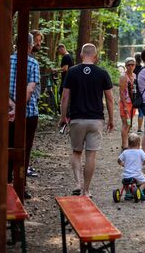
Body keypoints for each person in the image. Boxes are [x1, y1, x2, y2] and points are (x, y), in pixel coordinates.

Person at [59, 43, 114, 196]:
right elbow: (110, 98)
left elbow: (65, 97)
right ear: (95, 56)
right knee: (91, 155)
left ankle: (77, 183)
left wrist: (63, 117)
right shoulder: (102, 73)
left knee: (76, 152)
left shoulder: (72, 71)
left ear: (81, 55)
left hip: (77, 119)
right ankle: (86, 190)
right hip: (96, 120)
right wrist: (111, 119)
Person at [8, 33, 40, 196]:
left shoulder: (6, 60)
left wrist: (12, 106)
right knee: (25, 149)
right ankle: (20, 185)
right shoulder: (33, 63)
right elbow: (30, 88)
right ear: (30, 45)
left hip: (7, 113)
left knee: (8, 146)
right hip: (28, 113)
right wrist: (19, 108)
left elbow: (0, 86)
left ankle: (6, 182)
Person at [117, 133, 145, 200]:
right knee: (144, 182)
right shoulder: (140, 152)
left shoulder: (125, 152)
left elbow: (119, 160)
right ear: (138, 144)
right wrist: (142, 164)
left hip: (126, 175)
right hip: (137, 174)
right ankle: (139, 191)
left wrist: (123, 164)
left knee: (125, 183)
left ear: (128, 144)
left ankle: (128, 193)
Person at [119, 57, 137, 150]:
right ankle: (124, 145)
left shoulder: (134, 75)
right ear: (125, 66)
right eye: (128, 65)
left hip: (132, 103)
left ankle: (126, 143)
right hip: (125, 103)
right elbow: (121, 92)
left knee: (129, 124)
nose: (130, 66)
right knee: (125, 124)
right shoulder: (123, 76)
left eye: (132, 64)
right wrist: (125, 107)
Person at [133, 52, 144, 134]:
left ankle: (129, 127)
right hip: (140, 91)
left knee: (131, 110)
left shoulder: (131, 68)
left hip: (132, 91)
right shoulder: (143, 69)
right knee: (141, 112)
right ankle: (139, 129)